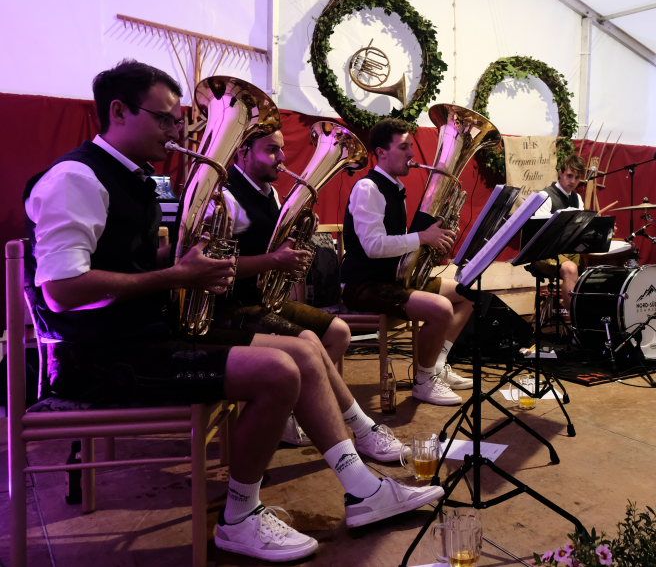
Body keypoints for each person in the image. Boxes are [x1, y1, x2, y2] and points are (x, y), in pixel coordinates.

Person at [23, 60, 442, 563]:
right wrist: (179, 274)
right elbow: (62, 290)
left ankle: (363, 490)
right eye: (164, 118)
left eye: (178, 119)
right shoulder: (75, 177)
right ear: (118, 111)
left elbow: (125, 262)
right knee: (279, 371)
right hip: (98, 356)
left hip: (145, 332)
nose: (176, 131)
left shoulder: (132, 178)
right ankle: (240, 518)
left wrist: (181, 257)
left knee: (305, 352)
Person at [215, 127, 402, 461]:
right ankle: (360, 429)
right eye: (271, 150)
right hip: (232, 306)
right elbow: (214, 267)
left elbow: (275, 247)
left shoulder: (270, 193)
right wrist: (274, 260)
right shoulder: (227, 198)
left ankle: (293, 410)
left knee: (338, 332)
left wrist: (296, 240)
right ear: (242, 152)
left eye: (281, 149)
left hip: (263, 300)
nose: (282, 158)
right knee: (310, 343)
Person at [339, 118, 474, 407]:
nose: (411, 153)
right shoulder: (367, 188)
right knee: (441, 308)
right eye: (404, 147)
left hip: (392, 280)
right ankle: (424, 381)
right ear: (381, 152)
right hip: (363, 285)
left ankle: (437, 364)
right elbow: (373, 246)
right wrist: (423, 237)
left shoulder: (395, 188)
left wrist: (430, 244)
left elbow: (397, 242)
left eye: (411, 146)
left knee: (466, 294)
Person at [529, 153, 586, 311]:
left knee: (593, 268)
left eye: (577, 177)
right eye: (569, 175)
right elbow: (540, 232)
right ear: (560, 173)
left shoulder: (577, 198)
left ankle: (583, 313)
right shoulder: (546, 196)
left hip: (568, 250)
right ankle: (574, 318)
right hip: (545, 252)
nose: (573, 181)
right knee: (571, 269)